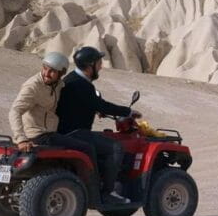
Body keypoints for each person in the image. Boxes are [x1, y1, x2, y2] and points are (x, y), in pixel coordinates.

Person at [56, 46, 135, 204]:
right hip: (75, 133)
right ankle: (107, 192)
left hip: (65, 130)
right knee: (116, 148)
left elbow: (83, 104)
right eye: (99, 62)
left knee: (103, 139)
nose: (101, 66)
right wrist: (128, 112)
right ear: (90, 65)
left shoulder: (72, 79)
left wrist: (93, 109)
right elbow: (102, 105)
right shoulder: (82, 85)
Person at [9, 52, 96, 171]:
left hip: (48, 133)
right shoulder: (33, 86)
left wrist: (93, 109)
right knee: (88, 149)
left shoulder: (58, 85)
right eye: (45, 68)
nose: (46, 73)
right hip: (39, 136)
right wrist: (21, 139)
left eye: (52, 71)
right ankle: (94, 188)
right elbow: (15, 111)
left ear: (61, 73)